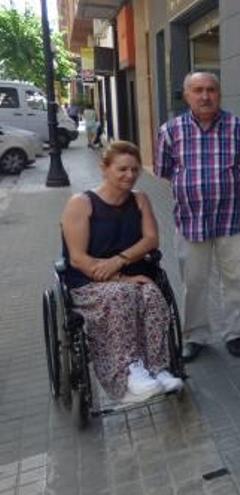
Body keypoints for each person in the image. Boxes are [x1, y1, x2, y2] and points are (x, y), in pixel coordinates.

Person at [60, 141, 184, 403]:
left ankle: (157, 368)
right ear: (104, 168)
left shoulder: (140, 199)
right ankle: (128, 373)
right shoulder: (81, 203)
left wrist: (119, 262)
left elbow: (151, 239)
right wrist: (120, 277)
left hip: (131, 275)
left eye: (135, 170)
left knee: (151, 294)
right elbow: (78, 258)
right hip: (89, 282)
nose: (130, 175)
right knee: (120, 295)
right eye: (122, 169)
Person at [155, 72, 240, 362]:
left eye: (211, 90)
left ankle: (233, 333)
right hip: (190, 221)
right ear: (186, 95)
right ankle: (196, 336)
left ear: (219, 94)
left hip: (232, 219)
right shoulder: (170, 131)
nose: (205, 96)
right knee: (194, 283)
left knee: (234, 280)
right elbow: (165, 172)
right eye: (197, 90)